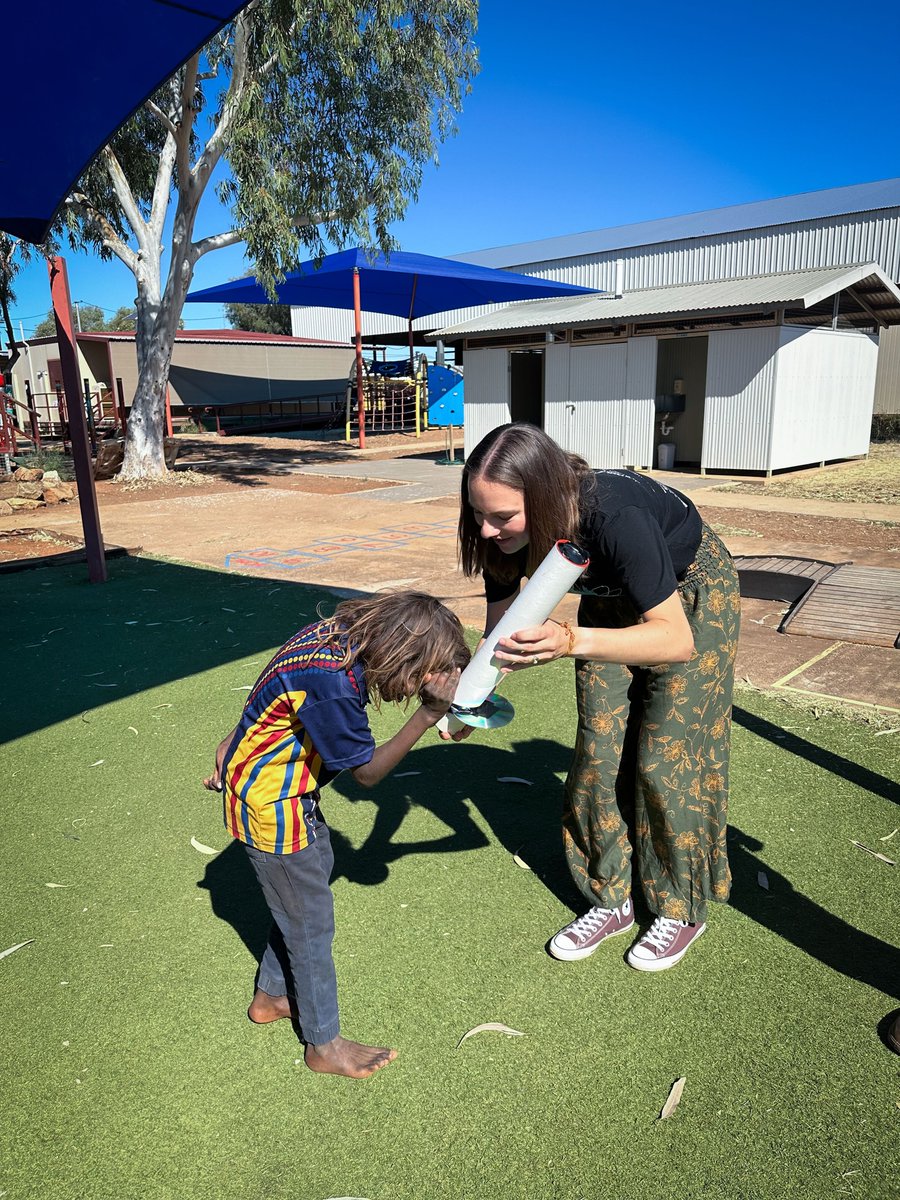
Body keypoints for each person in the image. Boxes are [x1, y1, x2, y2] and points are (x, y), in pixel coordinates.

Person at [458, 423, 740, 972]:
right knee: (598, 752)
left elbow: (674, 640)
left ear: (546, 500)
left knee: (664, 757)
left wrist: (569, 641)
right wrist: (471, 699)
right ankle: (610, 897)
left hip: (687, 599)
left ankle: (680, 906)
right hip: (608, 600)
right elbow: (501, 632)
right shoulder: (497, 534)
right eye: (478, 514)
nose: (487, 530)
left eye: (503, 517)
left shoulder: (614, 515)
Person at [204, 591, 468, 1078]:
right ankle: (323, 1044)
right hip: (274, 807)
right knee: (311, 927)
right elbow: (367, 774)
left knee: (301, 902)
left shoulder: (336, 636)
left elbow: (272, 683)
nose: (419, 687)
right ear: (401, 655)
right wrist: (428, 714)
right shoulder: (334, 684)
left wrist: (235, 736)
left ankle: (271, 997)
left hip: (283, 790)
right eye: (420, 676)